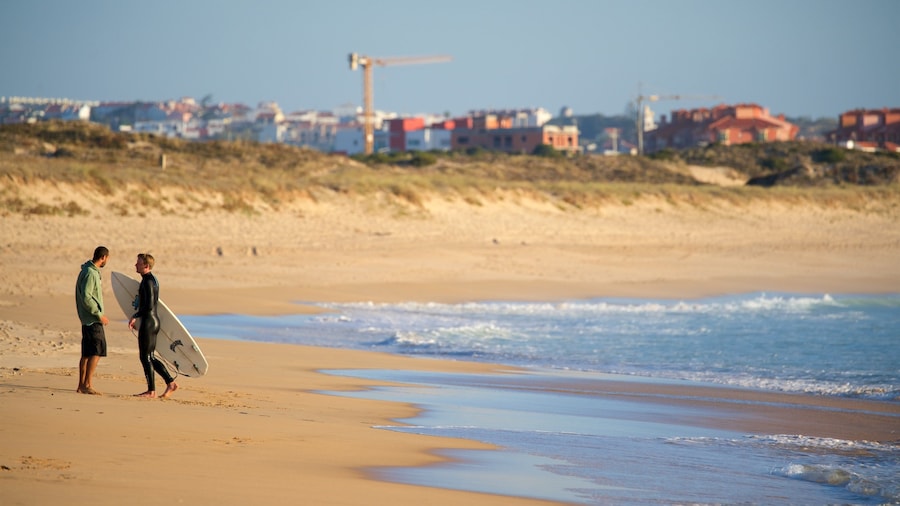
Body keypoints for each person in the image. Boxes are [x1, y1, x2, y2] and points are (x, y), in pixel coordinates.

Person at [128, 253, 178, 398]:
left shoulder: (148, 282)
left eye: (138, 263)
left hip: (149, 322)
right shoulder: (151, 280)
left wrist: (135, 316)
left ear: (146, 266)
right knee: (150, 357)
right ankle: (171, 383)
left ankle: (151, 391)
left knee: (145, 357)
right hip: (151, 321)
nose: (135, 265)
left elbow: (149, 305)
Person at [75, 246, 110, 395]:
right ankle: (87, 384)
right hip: (92, 319)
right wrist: (98, 314)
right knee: (96, 351)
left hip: (87, 318)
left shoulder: (88, 270)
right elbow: (86, 297)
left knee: (87, 353)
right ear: (103, 258)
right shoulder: (90, 273)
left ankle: (81, 385)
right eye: (107, 258)